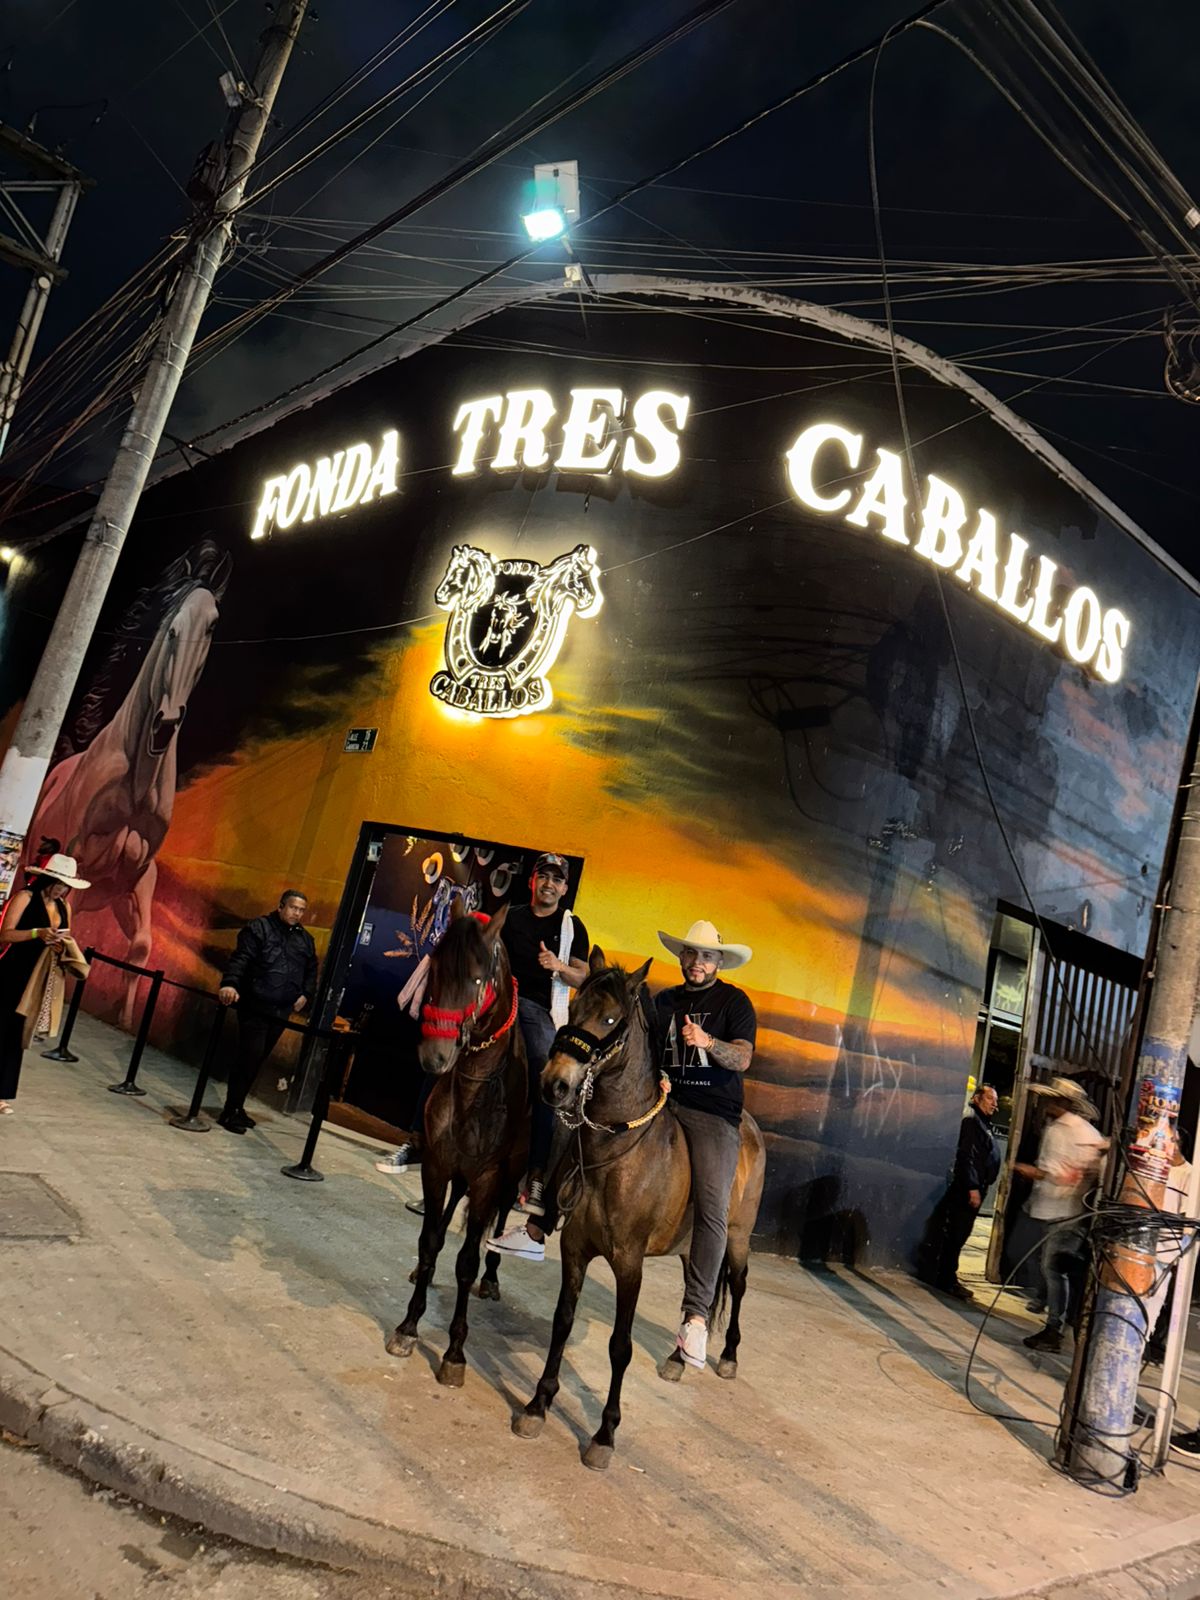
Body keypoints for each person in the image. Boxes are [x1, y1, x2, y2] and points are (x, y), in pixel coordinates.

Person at [653, 918, 756, 1371]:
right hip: (664, 1103)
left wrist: (708, 1040)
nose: (697, 962)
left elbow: (743, 1057)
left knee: (714, 1207)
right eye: (691, 954)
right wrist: (656, 1074)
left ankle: (696, 1319)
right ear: (681, 957)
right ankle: (541, 1219)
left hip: (713, 1113)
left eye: (707, 955)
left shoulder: (734, 1001)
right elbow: (649, 1051)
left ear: (719, 961)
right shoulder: (663, 1003)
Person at [485, 852, 589, 1259]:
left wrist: (558, 966)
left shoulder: (570, 926)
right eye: (543, 877)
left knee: (549, 1081)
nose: (549, 884)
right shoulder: (509, 915)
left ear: (564, 888)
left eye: (556, 880)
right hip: (498, 999)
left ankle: (538, 1174)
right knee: (450, 1043)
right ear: (532, 882)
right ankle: (419, 1139)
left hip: (537, 1008)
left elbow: (583, 975)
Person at [1017, 1076, 1109, 1354]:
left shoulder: (1080, 1132)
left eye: (1051, 1099)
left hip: (1066, 1213)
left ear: (1062, 1102)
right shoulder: (1058, 1128)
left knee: (1054, 1268)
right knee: (1046, 1264)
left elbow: (1086, 1167)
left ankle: (1054, 1328)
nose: (1045, 1103)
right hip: (1050, 1208)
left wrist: (1038, 1173)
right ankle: (1049, 1309)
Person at [217, 889, 318, 1134]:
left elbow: (311, 970)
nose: (297, 913)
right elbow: (241, 958)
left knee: (258, 1059)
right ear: (281, 906)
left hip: (281, 1010)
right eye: (293, 908)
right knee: (249, 1056)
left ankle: (237, 1107)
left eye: (302, 910)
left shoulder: (305, 939)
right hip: (255, 1005)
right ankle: (230, 1111)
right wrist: (229, 983)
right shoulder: (259, 928)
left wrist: (305, 993)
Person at [0, 850, 90, 1113]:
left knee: (18, 1032)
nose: (61, 890)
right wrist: (37, 933)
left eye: (66, 886)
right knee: (2, 1026)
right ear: (46, 880)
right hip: (12, 971)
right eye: (59, 884)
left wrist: (63, 944)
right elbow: (5, 935)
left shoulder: (65, 907)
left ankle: (2, 1093)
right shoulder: (25, 897)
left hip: (39, 975)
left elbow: (65, 935)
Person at [917, 1084, 1001, 1300]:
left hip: (975, 1187)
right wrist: (973, 1187)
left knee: (959, 1234)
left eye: (995, 1100)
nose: (995, 1104)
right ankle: (946, 1279)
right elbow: (968, 1157)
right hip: (966, 1189)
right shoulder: (972, 1121)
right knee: (956, 1234)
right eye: (990, 1099)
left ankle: (946, 1276)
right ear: (976, 1098)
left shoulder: (982, 1122)